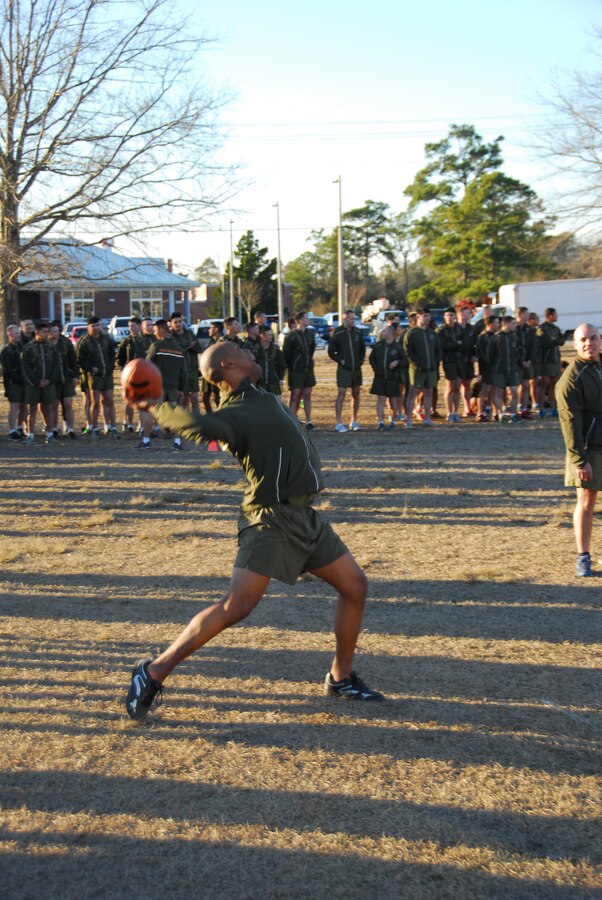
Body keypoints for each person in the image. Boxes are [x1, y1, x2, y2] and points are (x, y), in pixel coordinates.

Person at [125, 340, 384, 720]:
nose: (250, 352)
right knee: (238, 605)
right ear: (228, 365)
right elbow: (199, 427)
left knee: (355, 586)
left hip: (304, 516)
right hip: (270, 521)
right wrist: (154, 405)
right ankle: (152, 672)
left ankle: (340, 677)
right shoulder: (235, 413)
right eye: (241, 350)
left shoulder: (260, 396)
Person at [556, 323, 602, 577]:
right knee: (586, 501)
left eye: (593, 338)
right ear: (575, 344)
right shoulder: (571, 379)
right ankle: (583, 557)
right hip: (587, 448)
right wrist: (579, 460)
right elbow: (570, 423)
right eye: (583, 340)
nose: (589, 343)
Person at [144, 319, 188, 449]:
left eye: (155, 330)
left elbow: (147, 367)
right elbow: (184, 372)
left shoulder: (156, 346)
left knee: (151, 412)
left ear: (162, 330)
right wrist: (181, 389)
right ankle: (177, 442)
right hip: (173, 388)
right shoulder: (179, 350)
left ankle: (146, 441)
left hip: (157, 387)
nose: (154, 333)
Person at [21, 320, 61, 444]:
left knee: (49, 408)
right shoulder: (28, 348)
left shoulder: (52, 348)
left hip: (48, 383)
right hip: (33, 384)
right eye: (44, 332)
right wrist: (36, 382)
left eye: (47, 332)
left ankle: (50, 434)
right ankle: (30, 434)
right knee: (32, 409)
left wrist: (50, 380)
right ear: (37, 332)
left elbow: (57, 365)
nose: (46, 334)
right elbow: (25, 367)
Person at [76, 316, 117, 437]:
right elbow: (80, 360)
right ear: (88, 327)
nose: (95, 328)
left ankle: (113, 427)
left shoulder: (106, 339)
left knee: (109, 401)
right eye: (93, 326)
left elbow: (112, 353)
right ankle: (94, 428)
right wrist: (91, 368)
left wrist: (111, 366)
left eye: (98, 325)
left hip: (107, 374)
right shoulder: (84, 341)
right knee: (95, 403)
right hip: (94, 376)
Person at [328, 308, 365, 432]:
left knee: (356, 394)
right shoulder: (337, 333)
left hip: (356, 369)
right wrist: (341, 361)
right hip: (344, 369)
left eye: (354, 318)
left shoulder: (358, 332)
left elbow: (362, 349)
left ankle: (354, 420)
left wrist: (360, 361)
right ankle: (339, 422)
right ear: (345, 318)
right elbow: (331, 351)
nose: (353, 321)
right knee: (341, 393)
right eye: (351, 318)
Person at [405, 308, 441, 427]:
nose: (427, 318)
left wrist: (435, 362)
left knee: (429, 392)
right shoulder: (412, 333)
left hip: (431, 368)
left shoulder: (432, 333)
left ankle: (427, 418)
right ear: (418, 317)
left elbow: (438, 350)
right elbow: (407, 351)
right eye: (424, 316)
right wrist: (415, 364)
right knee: (413, 393)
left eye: (428, 316)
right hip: (416, 369)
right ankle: (409, 419)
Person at [282, 310, 316, 430]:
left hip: (308, 370)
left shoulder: (310, 334)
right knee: (295, 396)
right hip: (295, 370)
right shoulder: (291, 336)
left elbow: (311, 350)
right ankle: (291, 420)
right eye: (306, 318)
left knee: (307, 395)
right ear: (299, 321)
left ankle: (308, 421)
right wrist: (290, 367)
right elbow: (286, 354)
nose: (308, 320)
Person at [368, 325, 403, 429]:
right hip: (380, 377)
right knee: (380, 399)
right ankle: (380, 421)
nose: (381, 333)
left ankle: (393, 421)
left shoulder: (398, 347)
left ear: (390, 333)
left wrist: (397, 362)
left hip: (392, 377)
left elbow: (405, 360)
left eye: (384, 331)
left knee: (393, 400)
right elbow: (372, 359)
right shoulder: (378, 346)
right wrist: (377, 370)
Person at [48, 320, 78, 438]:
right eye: (54, 331)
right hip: (53, 380)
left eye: (57, 331)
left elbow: (73, 360)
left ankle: (70, 428)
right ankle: (54, 428)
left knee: (68, 403)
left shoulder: (65, 343)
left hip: (67, 378)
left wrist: (75, 375)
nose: (57, 333)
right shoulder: (46, 345)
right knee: (54, 405)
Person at [169, 312, 201, 414]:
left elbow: (198, 348)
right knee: (183, 399)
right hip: (180, 372)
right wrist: (189, 345)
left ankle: (197, 419)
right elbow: (177, 350)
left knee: (195, 398)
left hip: (192, 369)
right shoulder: (170, 336)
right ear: (171, 324)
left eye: (180, 321)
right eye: (175, 322)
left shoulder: (189, 333)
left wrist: (192, 345)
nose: (178, 324)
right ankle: (185, 420)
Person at [537, 307, 565, 417]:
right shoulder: (542, 328)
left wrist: (554, 339)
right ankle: (541, 408)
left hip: (555, 359)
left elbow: (561, 341)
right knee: (545, 384)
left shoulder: (556, 328)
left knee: (555, 384)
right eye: (555, 314)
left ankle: (554, 408)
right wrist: (553, 340)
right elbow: (546, 342)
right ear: (550, 316)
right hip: (546, 360)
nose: (557, 316)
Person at [1, 324, 27, 440]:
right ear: (9, 334)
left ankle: (20, 427)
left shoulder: (23, 348)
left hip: (24, 382)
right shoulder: (6, 350)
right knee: (14, 406)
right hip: (13, 383)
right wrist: (18, 378)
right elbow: (8, 369)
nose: (19, 335)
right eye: (16, 333)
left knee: (24, 406)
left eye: (19, 333)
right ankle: (12, 430)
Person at [116, 317, 142, 432]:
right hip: (129, 375)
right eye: (129, 326)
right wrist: (124, 368)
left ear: (139, 326)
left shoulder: (144, 341)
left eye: (133, 326)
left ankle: (141, 424)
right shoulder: (126, 341)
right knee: (129, 400)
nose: (131, 328)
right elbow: (119, 358)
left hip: (142, 374)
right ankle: (128, 423)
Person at [254, 325, 285, 394]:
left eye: (271, 334)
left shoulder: (276, 349)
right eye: (269, 335)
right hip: (260, 383)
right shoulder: (255, 350)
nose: (271, 336)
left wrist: (281, 378)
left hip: (273, 383)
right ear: (262, 336)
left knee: (276, 400)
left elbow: (281, 365)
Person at [200, 321, 223, 412]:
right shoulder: (211, 341)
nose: (209, 330)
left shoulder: (221, 342)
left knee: (217, 397)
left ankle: (221, 416)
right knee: (205, 398)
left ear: (216, 329)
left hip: (217, 373)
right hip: (207, 373)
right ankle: (211, 416)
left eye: (210, 328)